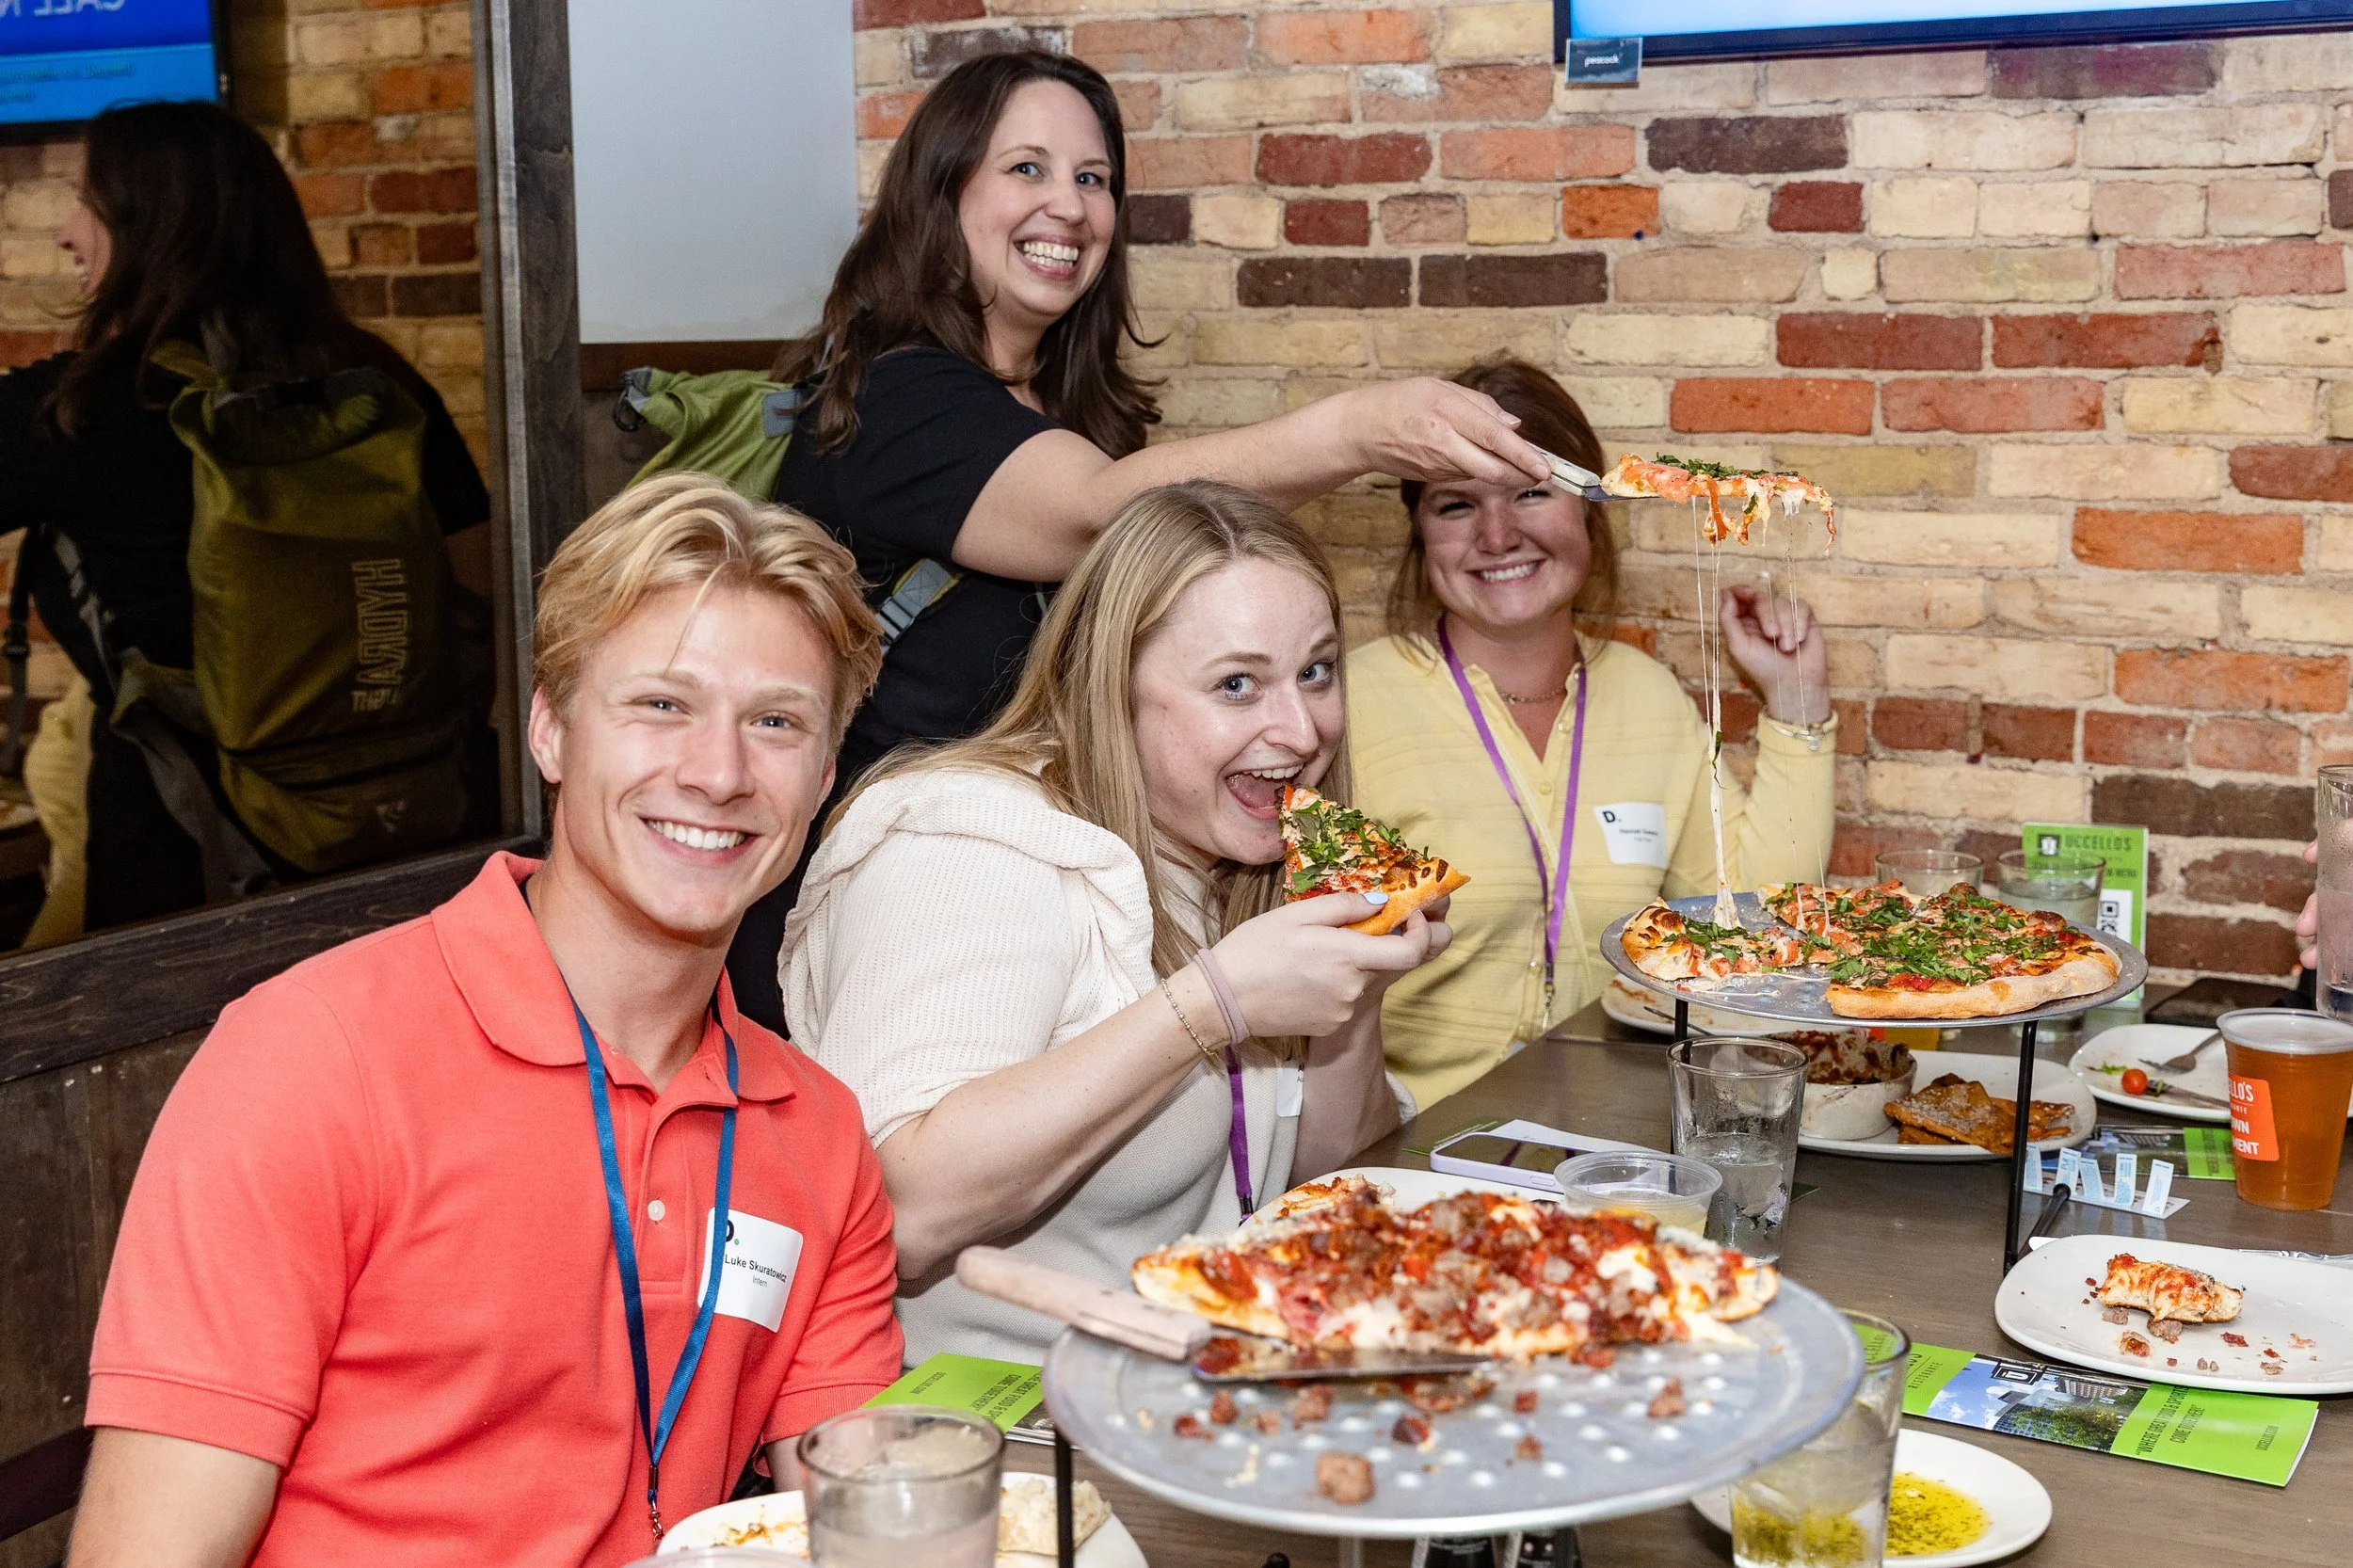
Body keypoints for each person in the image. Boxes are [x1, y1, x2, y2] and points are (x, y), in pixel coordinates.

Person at [71, 476, 904, 1568]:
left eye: (777, 722)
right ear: (551, 730)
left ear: (827, 774)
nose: (718, 773)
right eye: (661, 704)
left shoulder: (817, 1130)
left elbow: (872, 1518)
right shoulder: (310, 1062)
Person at [728, 47, 1549, 1028]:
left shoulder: (1073, 418)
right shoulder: (894, 397)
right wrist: (1356, 429)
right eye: (1025, 168)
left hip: (1031, 903)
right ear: (940, 193)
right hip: (884, 912)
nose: (1069, 207)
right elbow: (1095, 511)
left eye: (1093, 179)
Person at [782, 481, 1444, 1363]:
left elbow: (1320, 1184)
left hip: (1206, 1390)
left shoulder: (1232, 851)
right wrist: (1212, 1002)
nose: (1300, 727)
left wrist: (1356, 982)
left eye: (1316, 672)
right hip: (1006, 1436)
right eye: (1237, 684)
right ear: (1111, 687)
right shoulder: (970, 841)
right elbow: (902, 1213)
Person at [0, 99, 493, 933]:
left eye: (87, 201)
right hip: (410, 832)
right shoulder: (380, 387)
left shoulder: (79, 411)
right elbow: (478, 600)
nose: (66, 233)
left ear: (151, 226)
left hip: (179, 860)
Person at [1347, 360, 1838, 1110]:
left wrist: (1796, 701)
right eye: (1455, 505)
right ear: (1419, 531)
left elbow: (1756, 919)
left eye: (1533, 491)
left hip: (1610, 1135)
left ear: (1590, 515)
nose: (1498, 533)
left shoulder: (1647, 694)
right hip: (1409, 1137)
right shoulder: (1349, 703)